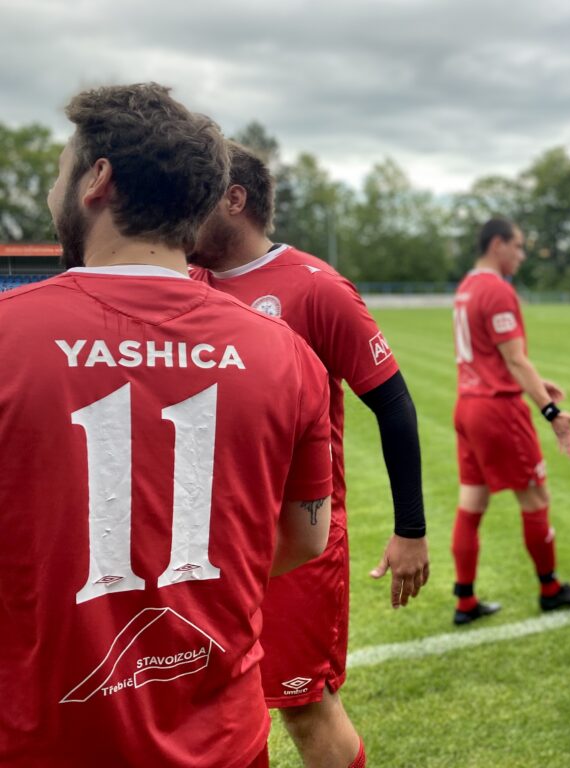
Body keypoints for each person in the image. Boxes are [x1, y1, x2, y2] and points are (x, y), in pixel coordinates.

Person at [0, 83, 332, 768]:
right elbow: (305, 535)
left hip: (40, 739)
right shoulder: (286, 355)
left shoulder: (9, 334)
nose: (52, 188)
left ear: (98, 179)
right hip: (225, 741)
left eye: (61, 170)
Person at [189, 141, 429, 768]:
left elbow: (396, 406)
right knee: (206, 700)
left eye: (198, 191)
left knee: (301, 706)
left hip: (296, 536)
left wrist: (411, 530)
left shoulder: (316, 288)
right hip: (199, 540)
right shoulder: (183, 283)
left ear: (234, 199)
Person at [451, 216, 570, 624]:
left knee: (472, 503)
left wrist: (535, 381)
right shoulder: (496, 290)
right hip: (497, 410)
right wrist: (550, 411)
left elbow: (492, 357)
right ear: (497, 244)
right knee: (535, 498)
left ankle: (464, 599)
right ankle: (550, 589)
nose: (522, 254)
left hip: (467, 405)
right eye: (518, 246)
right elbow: (514, 358)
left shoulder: (465, 288)